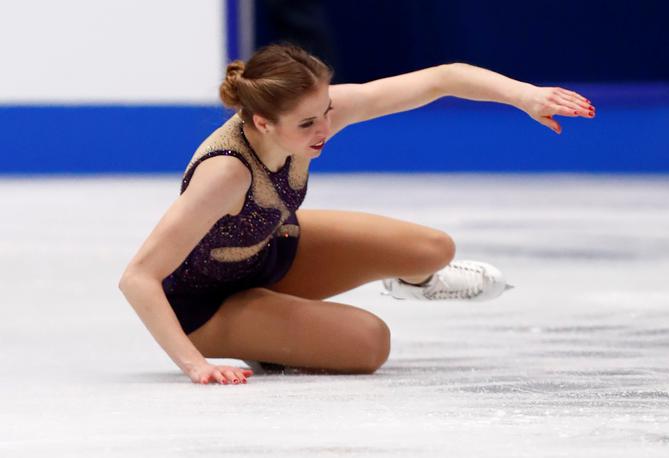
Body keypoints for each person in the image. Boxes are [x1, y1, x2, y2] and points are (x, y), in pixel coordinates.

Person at [118, 43, 595, 386]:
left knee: (432, 249)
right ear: (263, 122)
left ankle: (412, 284)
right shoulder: (226, 174)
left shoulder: (310, 116)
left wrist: (524, 96)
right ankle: (260, 333)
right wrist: (195, 364)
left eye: (326, 110)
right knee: (369, 344)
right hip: (207, 305)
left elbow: (441, 78)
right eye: (308, 123)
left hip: (269, 251)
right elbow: (139, 278)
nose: (326, 128)